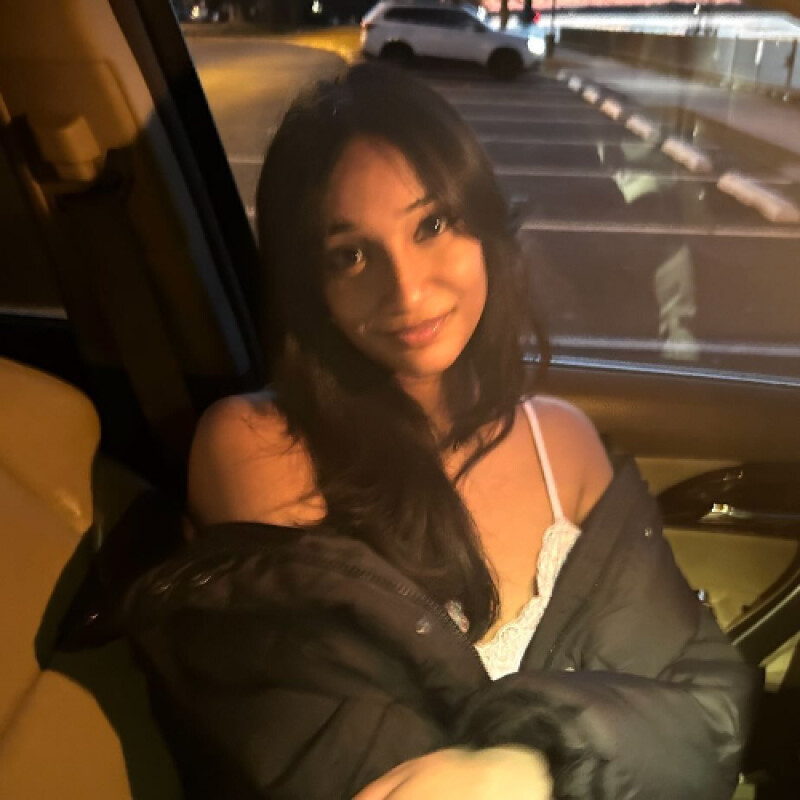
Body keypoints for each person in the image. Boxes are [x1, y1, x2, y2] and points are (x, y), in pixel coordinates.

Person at [123, 63, 756, 800]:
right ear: (310, 284)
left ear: (482, 226)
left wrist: (532, 767)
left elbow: (711, 707)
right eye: (351, 254)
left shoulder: (563, 441)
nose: (407, 289)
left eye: (431, 225)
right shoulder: (258, 447)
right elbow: (317, 757)